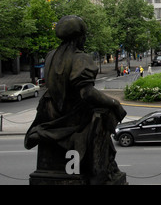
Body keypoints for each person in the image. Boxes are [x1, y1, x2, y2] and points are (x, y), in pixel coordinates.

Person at [24, 15, 127, 184]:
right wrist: (114, 103)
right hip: (73, 116)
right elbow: (87, 93)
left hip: (51, 114)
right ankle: (104, 168)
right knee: (105, 113)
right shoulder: (81, 58)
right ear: (79, 37)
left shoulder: (50, 56)